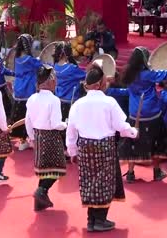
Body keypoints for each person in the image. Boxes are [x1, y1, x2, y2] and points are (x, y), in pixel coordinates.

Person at [66, 64, 138, 232]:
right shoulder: (109, 102)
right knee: (104, 183)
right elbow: (121, 126)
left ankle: (92, 220)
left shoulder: (78, 104)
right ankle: (99, 220)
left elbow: (71, 130)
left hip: (85, 146)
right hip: (105, 146)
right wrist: (133, 132)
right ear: (99, 84)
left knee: (89, 182)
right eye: (105, 80)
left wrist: (72, 151)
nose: (108, 83)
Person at [118, 47, 167, 183]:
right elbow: (164, 74)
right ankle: (157, 171)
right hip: (151, 113)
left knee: (132, 142)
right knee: (157, 142)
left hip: (134, 112)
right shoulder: (147, 75)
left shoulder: (128, 73)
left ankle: (130, 173)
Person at [25, 65, 67, 211]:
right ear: (51, 81)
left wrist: (31, 137)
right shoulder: (54, 100)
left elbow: (27, 120)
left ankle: (39, 202)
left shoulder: (32, 98)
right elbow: (56, 124)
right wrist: (65, 124)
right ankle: (41, 191)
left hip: (38, 135)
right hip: (51, 137)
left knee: (44, 170)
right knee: (57, 169)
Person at [11, 34, 43, 151]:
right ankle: (29, 138)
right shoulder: (29, 60)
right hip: (28, 88)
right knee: (28, 115)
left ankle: (22, 139)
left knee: (19, 113)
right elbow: (41, 66)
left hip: (19, 88)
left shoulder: (17, 58)